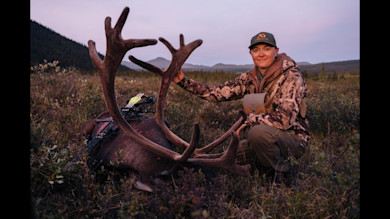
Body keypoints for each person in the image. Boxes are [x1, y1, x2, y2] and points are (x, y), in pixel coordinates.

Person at [172, 32, 309, 174]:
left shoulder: (291, 76)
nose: (261, 54)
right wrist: (183, 81)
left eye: (266, 49)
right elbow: (218, 93)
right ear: (251, 53)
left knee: (256, 134)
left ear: (276, 51)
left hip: (293, 139)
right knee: (225, 158)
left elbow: (285, 120)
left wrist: (248, 121)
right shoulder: (250, 78)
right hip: (265, 138)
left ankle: (280, 175)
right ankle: (261, 163)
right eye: (256, 50)